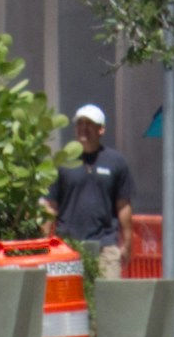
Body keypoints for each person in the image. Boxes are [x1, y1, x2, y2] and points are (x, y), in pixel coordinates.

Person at [50, 106, 134, 278]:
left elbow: (123, 205)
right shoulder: (62, 161)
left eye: (89, 123)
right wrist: (44, 243)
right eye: (80, 123)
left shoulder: (116, 162)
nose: (83, 128)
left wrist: (127, 243)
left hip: (105, 247)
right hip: (67, 246)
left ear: (100, 129)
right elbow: (49, 205)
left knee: (108, 294)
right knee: (68, 295)